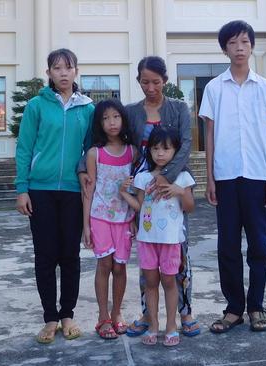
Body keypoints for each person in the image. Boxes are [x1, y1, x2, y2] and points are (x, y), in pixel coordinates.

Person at [78, 56, 200, 337]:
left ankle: (185, 311)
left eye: (156, 82)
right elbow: (103, 143)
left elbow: (185, 146)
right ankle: (148, 313)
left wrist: (166, 177)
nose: (151, 87)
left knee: (178, 251)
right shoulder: (131, 112)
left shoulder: (179, 108)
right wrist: (83, 168)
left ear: (165, 81)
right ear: (138, 81)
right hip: (142, 190)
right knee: (148, 254)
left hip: (172, 187)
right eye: (145, 82)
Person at [198, 20, 266, 334]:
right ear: (224, 49)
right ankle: (234, 309)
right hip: (226, 177)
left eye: (244, 42)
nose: (239, 48)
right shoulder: (214, 88)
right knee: (228, 247)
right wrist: (209, 178)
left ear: (251, 46)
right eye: (233, 43)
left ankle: (256, 307)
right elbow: (209, 135)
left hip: (257, 178)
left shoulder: (264, 88)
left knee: (259, 246)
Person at [15, 48, 94, 344]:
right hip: (41, 190)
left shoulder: (87, 108)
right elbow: (24, 148)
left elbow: (90, 152)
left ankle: (68, 314)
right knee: (45, 256)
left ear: (76, 71)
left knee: (70, 256)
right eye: (56, 68)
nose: (63, 73)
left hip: (73, 192)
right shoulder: (36, 106)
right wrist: (22, 188)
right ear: (48, 73)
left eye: (68, 67)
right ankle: (50, 318)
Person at [119, 126, 195, 347]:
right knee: (150, 283)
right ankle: (153, 325)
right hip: (147, 240)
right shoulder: (143, 178)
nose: (160, 153)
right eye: (155, 148)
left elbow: (189, 207)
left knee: (170, 282)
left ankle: (171, 326)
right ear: (149, 151)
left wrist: (179, 191)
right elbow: (140, 207)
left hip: (171, 241)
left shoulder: (182, 177)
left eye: (166, 148)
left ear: (175, 151)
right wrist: (124, 193)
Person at [82, 99, 137, 340]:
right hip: (100, 217)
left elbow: (137, 189)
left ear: (123, 119)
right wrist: (85, 225)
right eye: (105, 118)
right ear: (99, 123)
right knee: (104, 265)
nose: (111, 122)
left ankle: (117, 314)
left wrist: (135, 217)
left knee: (120, 266)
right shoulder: (95, 153)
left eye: (115, 117)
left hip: (125, 218)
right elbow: (89, 190)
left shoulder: (133, 152)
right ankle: (103, 317)